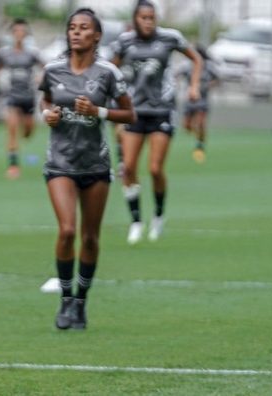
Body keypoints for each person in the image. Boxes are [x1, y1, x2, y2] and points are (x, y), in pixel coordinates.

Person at [39, 8, 135, 330]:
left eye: (84, 28)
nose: (76, 32)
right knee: (67, 230)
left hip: (96, 163)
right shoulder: (52, 69)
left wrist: (99, 111)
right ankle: (66, 299)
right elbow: (45, 101)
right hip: (60, 162)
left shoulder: (107, 72)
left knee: (90, 238)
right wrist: (47, 115)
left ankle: (81, 302)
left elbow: (129, 114)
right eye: (72, 28)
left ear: (97, 36)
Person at [110, 0, 202, 244]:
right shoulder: (125, 42)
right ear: (135, 19)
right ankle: (137, 221)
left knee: (154, 169)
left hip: (162, 110)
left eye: (152, 17)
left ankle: (159, 216)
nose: (148, 22)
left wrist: (193, 86)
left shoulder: (170, 38)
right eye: (144, 17)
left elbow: (196, 59)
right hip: (134, 111)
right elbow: (110, 71)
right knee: (128, 168)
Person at [0, 18, 44, 179]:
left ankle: (24, 133)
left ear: (26, 34)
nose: (19, 34)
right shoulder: (5, 53)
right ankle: (13, 165)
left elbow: (45, 68)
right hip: (11, 96)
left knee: (27, 132)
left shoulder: (32, 53)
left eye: (22, 31)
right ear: (12, 34)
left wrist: (41, 77)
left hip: (28, 97)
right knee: (12, 130)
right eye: (16, 31)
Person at [178, 45, 218, 164]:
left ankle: (200, 146)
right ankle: (196, 135)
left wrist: (208, 85)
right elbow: (177, 74)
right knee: (186, 126)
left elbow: (217, 78)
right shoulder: (187, 66)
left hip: (202, 99)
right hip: (190, 99)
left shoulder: (208, 66)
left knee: (201, 123)